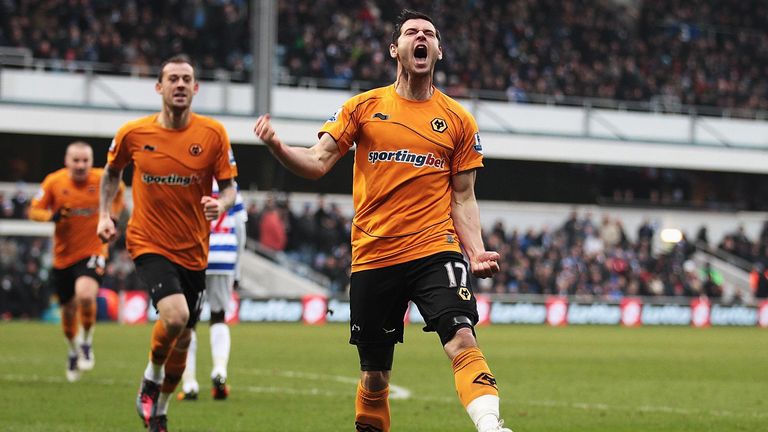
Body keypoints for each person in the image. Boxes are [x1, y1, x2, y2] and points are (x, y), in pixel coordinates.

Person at [253, 9, 510, 432]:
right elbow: (317, 162)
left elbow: (463, 197)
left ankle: (490, 425)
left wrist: (476, 250)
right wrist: (279, 146)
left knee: (462, 336)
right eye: (411, 32)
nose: (420, 37)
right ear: (396, 49)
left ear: (438, 51)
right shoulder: (363, 107)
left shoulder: (459, 120)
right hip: (375, 256)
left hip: (435, 249)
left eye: (429, 33)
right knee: (374, 376)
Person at [97, 54, 237, 432]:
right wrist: (104, 216)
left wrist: (219, 203)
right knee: (174, 317)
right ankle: (150, 376)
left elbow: (229, 188)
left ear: (195, 88)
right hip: (148, 241)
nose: (179, 84)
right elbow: (110, 174)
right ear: (159, 87)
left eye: (186, 79)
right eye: (172, 78)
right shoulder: (133, 134)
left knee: (184, 336)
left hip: (194, 250)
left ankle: (158, 409)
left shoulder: (213, 135)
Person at [29, 141, 124, 382]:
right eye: (76, 160)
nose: (81, 165)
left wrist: (112, 215)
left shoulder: (102, 178)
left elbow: (120, 190)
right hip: (63, 257)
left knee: (85, 295)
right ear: (67, 161)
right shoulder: (54, 182)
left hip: (93, 249)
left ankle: (87, 341)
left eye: (85, 161)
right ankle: (73, 348)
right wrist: (51, 216)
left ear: (91, 162)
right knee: (69, 311)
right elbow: (33, 210)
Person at [178, 180, 247, 401]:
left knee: (189, 322)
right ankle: (219, 370)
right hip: (224, 257)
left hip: (194, 256)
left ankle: (189, 383)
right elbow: (240, 229)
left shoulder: (189, 180)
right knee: (219, 316)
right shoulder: (231, 187)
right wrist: (237, 269)